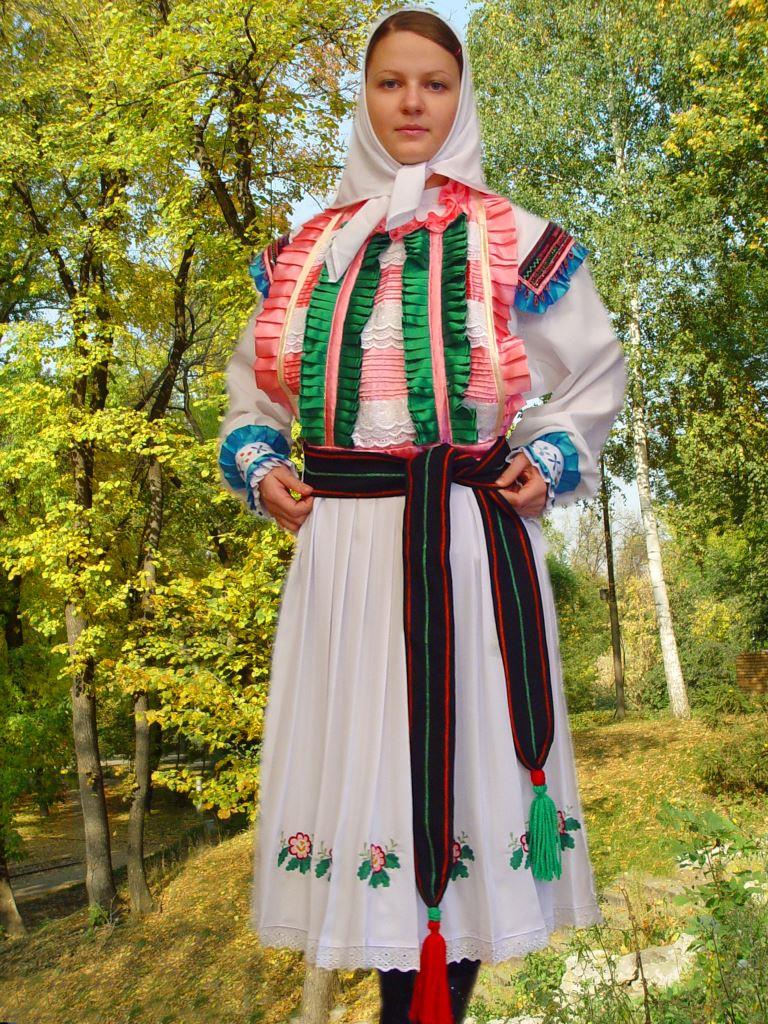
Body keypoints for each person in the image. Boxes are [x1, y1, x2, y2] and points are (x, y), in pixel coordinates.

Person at [217, 6, 627, 1022]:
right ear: (363, 97)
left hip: (465, 548)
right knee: (374, 787)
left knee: (462, 777)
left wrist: (548, 457)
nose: (412, 103)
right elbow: (251, 400)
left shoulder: (513, 238)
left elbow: (595, 373)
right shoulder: (305, 253)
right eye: (391, 82)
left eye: (434, 84)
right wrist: (261, 465)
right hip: (346, 557)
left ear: (461, 98)